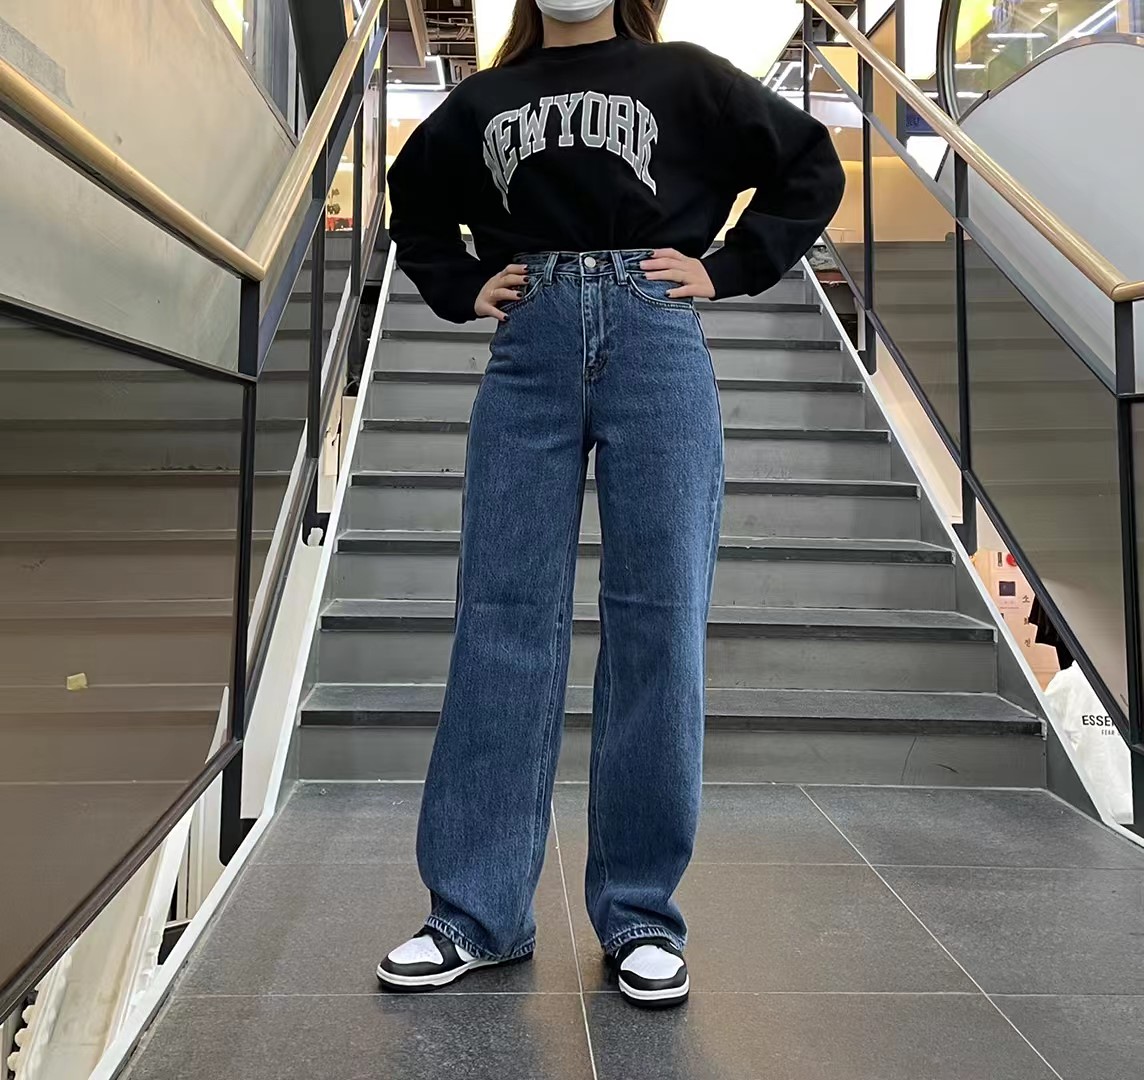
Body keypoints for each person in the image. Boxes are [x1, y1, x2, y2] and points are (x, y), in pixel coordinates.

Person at [376, 0, 844, 1008]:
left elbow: (809, 163)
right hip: (531, 344)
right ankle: (474, 913)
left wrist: (727, 267)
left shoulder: (688, 76)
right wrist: (459, 285)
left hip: (655, 336)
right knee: (502, 617)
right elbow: (412, 196)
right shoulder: (484, 99)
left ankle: (638, 913)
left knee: (658, 621)